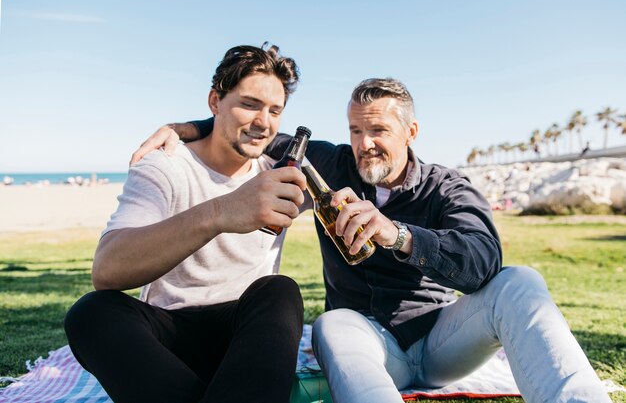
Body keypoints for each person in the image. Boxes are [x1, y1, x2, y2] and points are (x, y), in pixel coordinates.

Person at [134, 78, 610, 403]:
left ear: (411, 132)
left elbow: (484, 262)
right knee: (331, 323)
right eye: (356, 130)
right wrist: (183, 129)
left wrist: (398, 235)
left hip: (441, 340)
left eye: (379, 130)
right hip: (362, 339)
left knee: (519, 281)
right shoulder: (331, 163)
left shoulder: (446, 187)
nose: (365, 144)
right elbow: (255, 134)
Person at [64, 43, 307, 403]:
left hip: (246, 343)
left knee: (279, 290)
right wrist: (220, 212)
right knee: (90, 313)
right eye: (249, 104)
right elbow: (108, 270)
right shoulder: (165, 166)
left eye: (275, 110)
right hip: (169, 339)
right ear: (215, 102)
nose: (263, 122)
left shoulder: (283, 175)